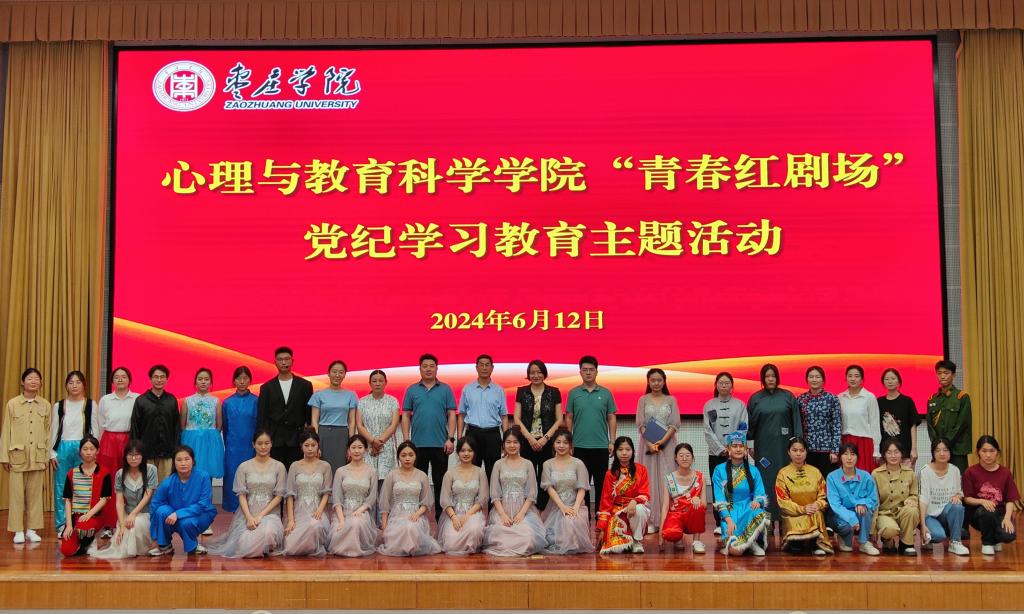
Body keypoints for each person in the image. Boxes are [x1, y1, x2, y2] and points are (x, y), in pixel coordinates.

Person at [207, 430, 286, 558]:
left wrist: (260, 516)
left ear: (271, 444)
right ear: (253, 444)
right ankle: (258, 547)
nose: (263, 447)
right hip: (248, 514)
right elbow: (241, 495)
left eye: (267, 443)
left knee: (268, 532)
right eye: (259, 443)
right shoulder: (244, 467)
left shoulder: (279, 466)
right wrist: (249, 517)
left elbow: (279, 496)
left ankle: (264, 547)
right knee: (244, 544)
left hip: (270, 514)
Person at [401, 353, 457, 519]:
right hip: (417, 445)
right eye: (425, 366)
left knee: (440, 482)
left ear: (437, 368)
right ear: (419, 369)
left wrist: (450, 438)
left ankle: (441, 517)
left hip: (440, 444)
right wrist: (407, 439)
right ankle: (417, 517)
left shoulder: (446, 389)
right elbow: (406, 415)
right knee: (417, 483)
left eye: (431, 366)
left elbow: (451, 414)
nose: (428, 369)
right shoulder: (412, 390)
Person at [1, 368, 50, 544]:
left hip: (37, 456)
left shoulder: (45, 405)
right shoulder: (12, 404)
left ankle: (31, 529)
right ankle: (18, 530)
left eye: (37, 379)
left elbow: (48, 432)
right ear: (23, 382)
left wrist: (46, 456)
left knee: (35, 495)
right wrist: (4, 457)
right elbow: (6, 430)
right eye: (30, 378)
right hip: (17, 456)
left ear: (41, 383)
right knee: (16, 496)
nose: (33, 381)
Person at [747, 363, 800, 521]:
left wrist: (797, 445)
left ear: (777, 378)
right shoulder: (755, 398)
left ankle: (786, 521)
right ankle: (766, 522)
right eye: (767, 376)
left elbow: (796, 421)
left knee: (786, 481)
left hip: (785, 448)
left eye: (773, 376)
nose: (770, 379)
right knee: (765, 482)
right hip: (763, 449)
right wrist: (750, 445)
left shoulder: (788, 396)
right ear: (763, 379)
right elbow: (749, 425)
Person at [565, 355, 616, 521]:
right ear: (580, 372)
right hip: (579, 446)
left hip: (601, 446)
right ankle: (584, 515)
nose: (588, 372)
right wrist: (569, 442)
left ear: (596, 371)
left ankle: (601, 516)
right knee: (582, 484)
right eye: (585, 370)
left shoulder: (606, 393)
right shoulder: (574, 393)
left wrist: (612, 441)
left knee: (601, 484)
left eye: (591, 370)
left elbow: (611, 417)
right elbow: (569, 417)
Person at [89, 440, 158, 559]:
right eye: (130, 455)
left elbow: (147, 496)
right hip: (127, 514)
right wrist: (121, 525)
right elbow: (120, 502)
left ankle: (144, 547)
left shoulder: (151, 469)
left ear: (142, 456)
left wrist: (133, 515)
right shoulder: (120, 474)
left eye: (137, 455)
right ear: (125, 456)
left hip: (146, 513)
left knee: (135, 524)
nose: (133, 458)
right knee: (123, 535)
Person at [484, 427, 547, 556]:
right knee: (501, 538)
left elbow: (531, 494)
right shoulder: (498, 464)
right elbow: (494, 494)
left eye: (515, 442)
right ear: (503, 445)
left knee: (528, 538)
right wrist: (503, 515)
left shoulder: (528, 464)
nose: (512, 445)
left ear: (520, 444)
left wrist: (521, 514)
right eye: (508, 442)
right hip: (502, 509)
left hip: (524, 510)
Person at [50, 370, 99, 531]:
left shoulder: (91, 405)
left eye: (78, 382)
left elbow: (95, 430)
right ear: (66, 386)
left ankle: (81, 523)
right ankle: (62, 525)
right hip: (63, 448)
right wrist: (52, 453)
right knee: (61, 486)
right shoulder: (58, 406)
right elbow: (53, 430)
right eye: (71, 382)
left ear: (84, 385)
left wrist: (94, 451)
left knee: (83, 486)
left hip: (84, 448)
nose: (74, 385)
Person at [377, 441, 442, 556]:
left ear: (416, 456)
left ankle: (410, 549)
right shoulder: (392, 475)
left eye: (411, 455)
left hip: (416, 515)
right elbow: (385, 503)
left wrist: (417, 514)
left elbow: (426, 503)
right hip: (396, 516)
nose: (407, 458)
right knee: (403, 528)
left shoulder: (422, 475)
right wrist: (384, 526)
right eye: (403, 455)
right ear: (398, 457)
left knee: (411, 527)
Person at [513, 359, 563, 511]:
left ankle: (543, 509)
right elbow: (516, 418)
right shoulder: (522, 391)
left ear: (544, 374)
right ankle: (528, 509)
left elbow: (559, 419)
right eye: (532, 373)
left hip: (547, 441)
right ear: (528, 375)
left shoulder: (554, 392)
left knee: (545, 475)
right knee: (527, 475)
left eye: (539, 372)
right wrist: (529, 438)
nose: (536, 375)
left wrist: (545, 438)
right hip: (526, 440)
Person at [148, 445, 216, 555]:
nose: (183, 463)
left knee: (186, 522)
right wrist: (154, 536)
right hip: (174, 516)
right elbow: (155, 505)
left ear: (193, 461)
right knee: (161, 511)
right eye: (179, 460)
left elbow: (203, 504)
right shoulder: (168, 482)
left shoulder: (203, 477)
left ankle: (193, 546)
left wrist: (178, 514)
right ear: (174, 463)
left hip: (200, 514)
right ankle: (165, 545)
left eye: (186, 459)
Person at [636, 368, 680, 534]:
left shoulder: (671, 400)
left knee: (666, 478)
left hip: (667, 445)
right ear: (648, 382)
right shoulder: (643, 400)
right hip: (647, 445)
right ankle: (652, 519)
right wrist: (649, 442)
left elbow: (674, 424)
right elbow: (641, 424)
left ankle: (668, 517)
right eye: (653, 380)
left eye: (659, 380)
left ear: (664, 381)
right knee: (650, 479)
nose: (656, 383)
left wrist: (662, 441)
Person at [712, 432, 771, 556]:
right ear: (728, 449)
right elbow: (719, 499)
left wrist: (757, 501)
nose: (738, 449)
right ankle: (744, 543)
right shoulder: (719, 470)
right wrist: (729, 520)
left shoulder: (754, 470)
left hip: (748, 510)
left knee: (760, 513)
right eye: (734, 446)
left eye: (741, 446)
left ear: (745, 450)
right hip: (730, 512)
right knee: (736, 552)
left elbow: (760, 493)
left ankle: (753, 542)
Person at [703, 372, 747, 532]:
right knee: (719, 487)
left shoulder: (740, 405)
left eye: (727, 383)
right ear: (716, 385)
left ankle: (739, 518)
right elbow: (707, 430)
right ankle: (719, 523)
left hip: (736, 453)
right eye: (721, 383)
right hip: (716, 454)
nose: (724, 385)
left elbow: (743, 427)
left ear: (732, 386)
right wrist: (721, 449)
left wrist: (733, 448)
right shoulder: (709, 405)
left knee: (739, 486)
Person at [257, 346, 314, 468]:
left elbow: (309, 415)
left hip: (297, 439)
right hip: (274, 439)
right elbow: (262, 416)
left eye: (287, 359)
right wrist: (263, 440)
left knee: (296, 473)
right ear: (275, 362)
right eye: (280, 359)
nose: (284, 362)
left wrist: (308, 438)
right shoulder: (266, 388)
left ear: (292, 361)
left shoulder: (305, 385)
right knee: (275, 473)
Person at [540, 429, 594, 554]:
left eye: (565, 442)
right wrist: (563, 507)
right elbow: (549, 488)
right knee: (548, 538)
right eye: (558, 442)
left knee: (571, 522)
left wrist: (575, 508)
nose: (561, 445)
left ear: (570, 445)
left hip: (576, 505)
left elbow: (582, 488)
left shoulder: (578, 463)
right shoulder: (547, 464)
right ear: (553, 444)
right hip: (556, 506)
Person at [775, 437, 832, 555]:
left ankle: (815, 544)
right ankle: (797, 543)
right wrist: (802, 509)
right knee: (796, 548)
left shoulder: (815, 472)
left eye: (801, 450)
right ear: (789, 452)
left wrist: (817, 505)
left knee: (817, 513)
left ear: (806, 452)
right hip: (793, 514)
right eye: (795, 450)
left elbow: (823, 496)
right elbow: (783, 501)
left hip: (813, 512)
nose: (798, 454)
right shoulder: (782, 473)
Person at [963, 435, 1019, 555]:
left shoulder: (1005, 472)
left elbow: (1010, 500)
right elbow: (967, 499)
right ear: (978, 452)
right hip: (978, 514)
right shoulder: (970, 472)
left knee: (1008, 535)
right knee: (987, 512)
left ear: (997, 452)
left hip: (999, 513)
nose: (988, 455)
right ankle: (987, 543)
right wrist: (982, 501)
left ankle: (995, 539)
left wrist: (1007, 518)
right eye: (984, 451)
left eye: (992, 451)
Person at [457, 354, 509, 479]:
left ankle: (492, 493)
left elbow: (504, 416)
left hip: (492, 435)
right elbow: (461, 414)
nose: (484, 368)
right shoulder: (468, 389)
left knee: (493, 471)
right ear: (476, 367)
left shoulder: (499, 390)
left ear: (492, 368)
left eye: (487, 365)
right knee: (472, 470)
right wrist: (459, 437)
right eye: (481, 365)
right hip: (472, 433)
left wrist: (506, 439)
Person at [596, 436, 651, 554]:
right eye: (620, 449)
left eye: (628, 449)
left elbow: (645, 494)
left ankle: (637, 541)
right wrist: (602, 528)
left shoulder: (641, 470)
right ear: (615, 452)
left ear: (633, 451)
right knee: (615, 548)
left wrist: (634, 501)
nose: (624, 453)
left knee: (640, 509)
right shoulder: (610, 474)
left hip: (635, 506)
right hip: (617, 511)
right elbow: (606, 501)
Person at [59, 436, 111, 557]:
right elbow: (68, 500)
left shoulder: (104, 472)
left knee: (84, 527)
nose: (88, 452)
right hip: (76, 517)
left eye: (92, 449)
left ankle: (89, 541)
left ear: (97, 451)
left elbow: (104, 499)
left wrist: (89, 514)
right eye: (85, 449)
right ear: (80, 451)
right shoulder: (72, 473)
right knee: (66, 550)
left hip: (95, 515)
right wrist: (69, 525)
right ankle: (82, 543)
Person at [283, 430, 332, 556]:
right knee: (291, 547)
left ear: (318, 445)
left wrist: (320, 510)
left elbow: (327, 492)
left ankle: (312, 546)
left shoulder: (325, 466)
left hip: (317, 509)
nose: (310, 449)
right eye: (306, 445)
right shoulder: (294, 466)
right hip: (299, 510)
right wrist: (291, 519)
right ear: (301, 446)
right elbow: (290, 495)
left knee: (314, 526)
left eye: (313, 445)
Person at [329, 435, 380, 557]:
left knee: (355, 523)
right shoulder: (341, 471)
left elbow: (372, 497)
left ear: (365, 450)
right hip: (343, 512)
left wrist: (360, 510)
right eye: (353, 447)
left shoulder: (372, 471)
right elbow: (337, 498)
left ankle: (353, 550)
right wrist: (341, 520)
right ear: (348, 450)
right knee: (342, 527)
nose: (357, 451)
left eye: (360, 447)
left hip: (362, 512)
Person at [826, 442, 880, 555]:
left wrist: (863, 503)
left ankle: (864, 543)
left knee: (865, 510)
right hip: (839, 516)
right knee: (845, 527)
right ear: (840, 457)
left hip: (859, 514)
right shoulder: (832, 477)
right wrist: (851, 518)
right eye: (845, 454)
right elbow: (835, 505)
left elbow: (873, 499)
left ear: (857, 457)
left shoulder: (866, 476)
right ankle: (844, 537)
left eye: (853, 454)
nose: (849, 458)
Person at [438, 436, 489, 555]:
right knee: (451, 544)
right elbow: (444, 499)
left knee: (474, 530)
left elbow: (483, 499)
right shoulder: (450, 473)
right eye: (463, 450)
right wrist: (454, 517)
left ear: (474, 453)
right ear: (457, 452)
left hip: (473, 513)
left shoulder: (480, 472)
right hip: (454, 514)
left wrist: (468, 515)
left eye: (470, 450)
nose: (466, 454)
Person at [919, 438, 970, 556]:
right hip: (930, 515)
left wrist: (958, 496)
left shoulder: (955, 470)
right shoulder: (925, 471)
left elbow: (959, 493)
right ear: (933, 453)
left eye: (945, 450)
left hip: (946, 513)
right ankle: (928, 537)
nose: (942, 453)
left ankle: (955, 542)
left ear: (950, 452)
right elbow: (923, 499)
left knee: (958, 506)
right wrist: (923, 525)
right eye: (938, 450)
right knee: (938, 535)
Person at [130, 365, 180, 481]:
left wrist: (176, 449)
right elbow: (135, 427)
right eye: (156, 377)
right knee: (147, 484)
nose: (159, 380)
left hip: (167, 452)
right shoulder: (141, 400)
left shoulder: (172, 400)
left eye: (162, 377)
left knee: (166, 484)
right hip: (146, 452)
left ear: (167, 379)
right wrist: (135, 450)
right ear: (150, 379)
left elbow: (176, 427)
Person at [871, 438, 920, 555]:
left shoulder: (910, 473)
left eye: (896, 452)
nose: (893, 456)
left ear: (902, 454)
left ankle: (906, 544)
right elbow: (874, 502)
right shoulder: (876, 474)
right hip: (884, 513)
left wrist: (911, 500)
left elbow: (914, 494)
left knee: (912, 511)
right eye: (889, 452)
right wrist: (873, 529)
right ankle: (887, 540)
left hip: (903, 512)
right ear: (884, 455)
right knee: (889, 530)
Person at [309, 360, 358, 474]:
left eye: (341, 372)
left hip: (342, 435)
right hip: (323, 434)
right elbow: (314, 421)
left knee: (340, 468)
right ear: (328, 373)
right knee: (322, 468)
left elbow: (352, 422)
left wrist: (351, 444)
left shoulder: (351, 395)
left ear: (344, 375)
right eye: (334, 372)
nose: (337, 375)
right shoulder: (318, 395)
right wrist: (315, 442)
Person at [355, 369, 400, 492]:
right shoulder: (362, 402)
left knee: (385, 482)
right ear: (369, 383)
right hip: (368, 445)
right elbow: (359, 425)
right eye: (374, 381)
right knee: (368, 481)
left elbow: (393, 424)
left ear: (386, 382)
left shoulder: (393, 401)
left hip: (386, 445)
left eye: (381, 381)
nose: (378, 383)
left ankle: (384, 505)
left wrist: (379, 442)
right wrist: (372, 441)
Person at [222, 366, 258, 513]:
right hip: (233, 448)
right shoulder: (227, 403)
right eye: (239, 378)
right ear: (234, 381)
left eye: (245, 378)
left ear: (250, 380)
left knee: (251, 477)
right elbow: (225, 427)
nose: (242, 381)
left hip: (251, 447)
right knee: (232, 476)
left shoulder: (256, 401)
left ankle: (251, 509)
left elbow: (259, 426)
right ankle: (233, 508)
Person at [659, 443, 706, 554]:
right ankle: (677, 537)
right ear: (675, 458)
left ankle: (697, 541)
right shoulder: (669, 478)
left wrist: (698, 500)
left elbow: (704, 504)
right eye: (681, 455)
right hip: (675, 515)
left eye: (688, 455)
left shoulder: (700, 477)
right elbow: (665, 506)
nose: (684, 458)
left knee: (699, 506)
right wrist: (660, 533)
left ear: (693, 458)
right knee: (670, 534)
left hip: (691, 516)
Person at [926, 360, 972, 474]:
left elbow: (962, 424)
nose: (942, 376)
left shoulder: (962, 397)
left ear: (953, 375)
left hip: (957, 449)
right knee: (938, 478)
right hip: (939, 450)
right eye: (939, 373)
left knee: (959, 479)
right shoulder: (932, 399)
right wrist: (938, 445)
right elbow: (930, 425)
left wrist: (945, 443)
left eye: (946, 373)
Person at [795, 366, 841, 478]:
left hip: (827, 450)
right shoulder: (801, 399)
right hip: (807, 449)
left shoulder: (832, 398)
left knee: (827, 480)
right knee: (810, 480)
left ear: (823, 380)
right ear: (807, 380)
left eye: (817, 377)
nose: (814, 379)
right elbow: (798, 424)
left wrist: (835, 450)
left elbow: (837, 425)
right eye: (811, 377)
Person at [180, 368, 225, 484]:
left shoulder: (216, 401)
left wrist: (208, 435)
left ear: (211, 382)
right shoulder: (187, 401)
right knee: (190, 471)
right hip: (191, 441)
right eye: (200, 379)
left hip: (210, 442)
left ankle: (207, 496)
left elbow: (219, 425)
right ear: (195, 382)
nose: (203, 382)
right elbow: (182, 425)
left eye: (206, 379)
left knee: (208, 473)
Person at [96, 366, 139, 483]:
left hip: (129, 440)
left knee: (129, 473)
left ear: (129, 380)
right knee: (108, 473)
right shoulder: (105, 399)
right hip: (108, 441)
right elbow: (100, 424)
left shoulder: (137, 398)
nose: (120, 379)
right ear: (112, 381)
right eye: (116, 377)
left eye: (124, 377)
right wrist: (97, 445)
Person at [838, 365, 881, 472]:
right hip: (845, 441)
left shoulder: (869, 397)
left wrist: (876, 450)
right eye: (850, 376)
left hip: (864, 443)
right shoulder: (840, 397)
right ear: (846, 378)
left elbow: (875, 424)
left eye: (856, 376)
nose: (853, 379)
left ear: (862, 379)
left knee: (863, 474)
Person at [878, 368, 920, 469]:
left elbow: (913, 426)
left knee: (906, 478)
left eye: (893, 378)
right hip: (885, 453)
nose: (890, 381)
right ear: (883, 382)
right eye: (887, 379)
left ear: (899, 381)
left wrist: (914, 449)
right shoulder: (878, 402)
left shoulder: (907, 401)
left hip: (904, 452)